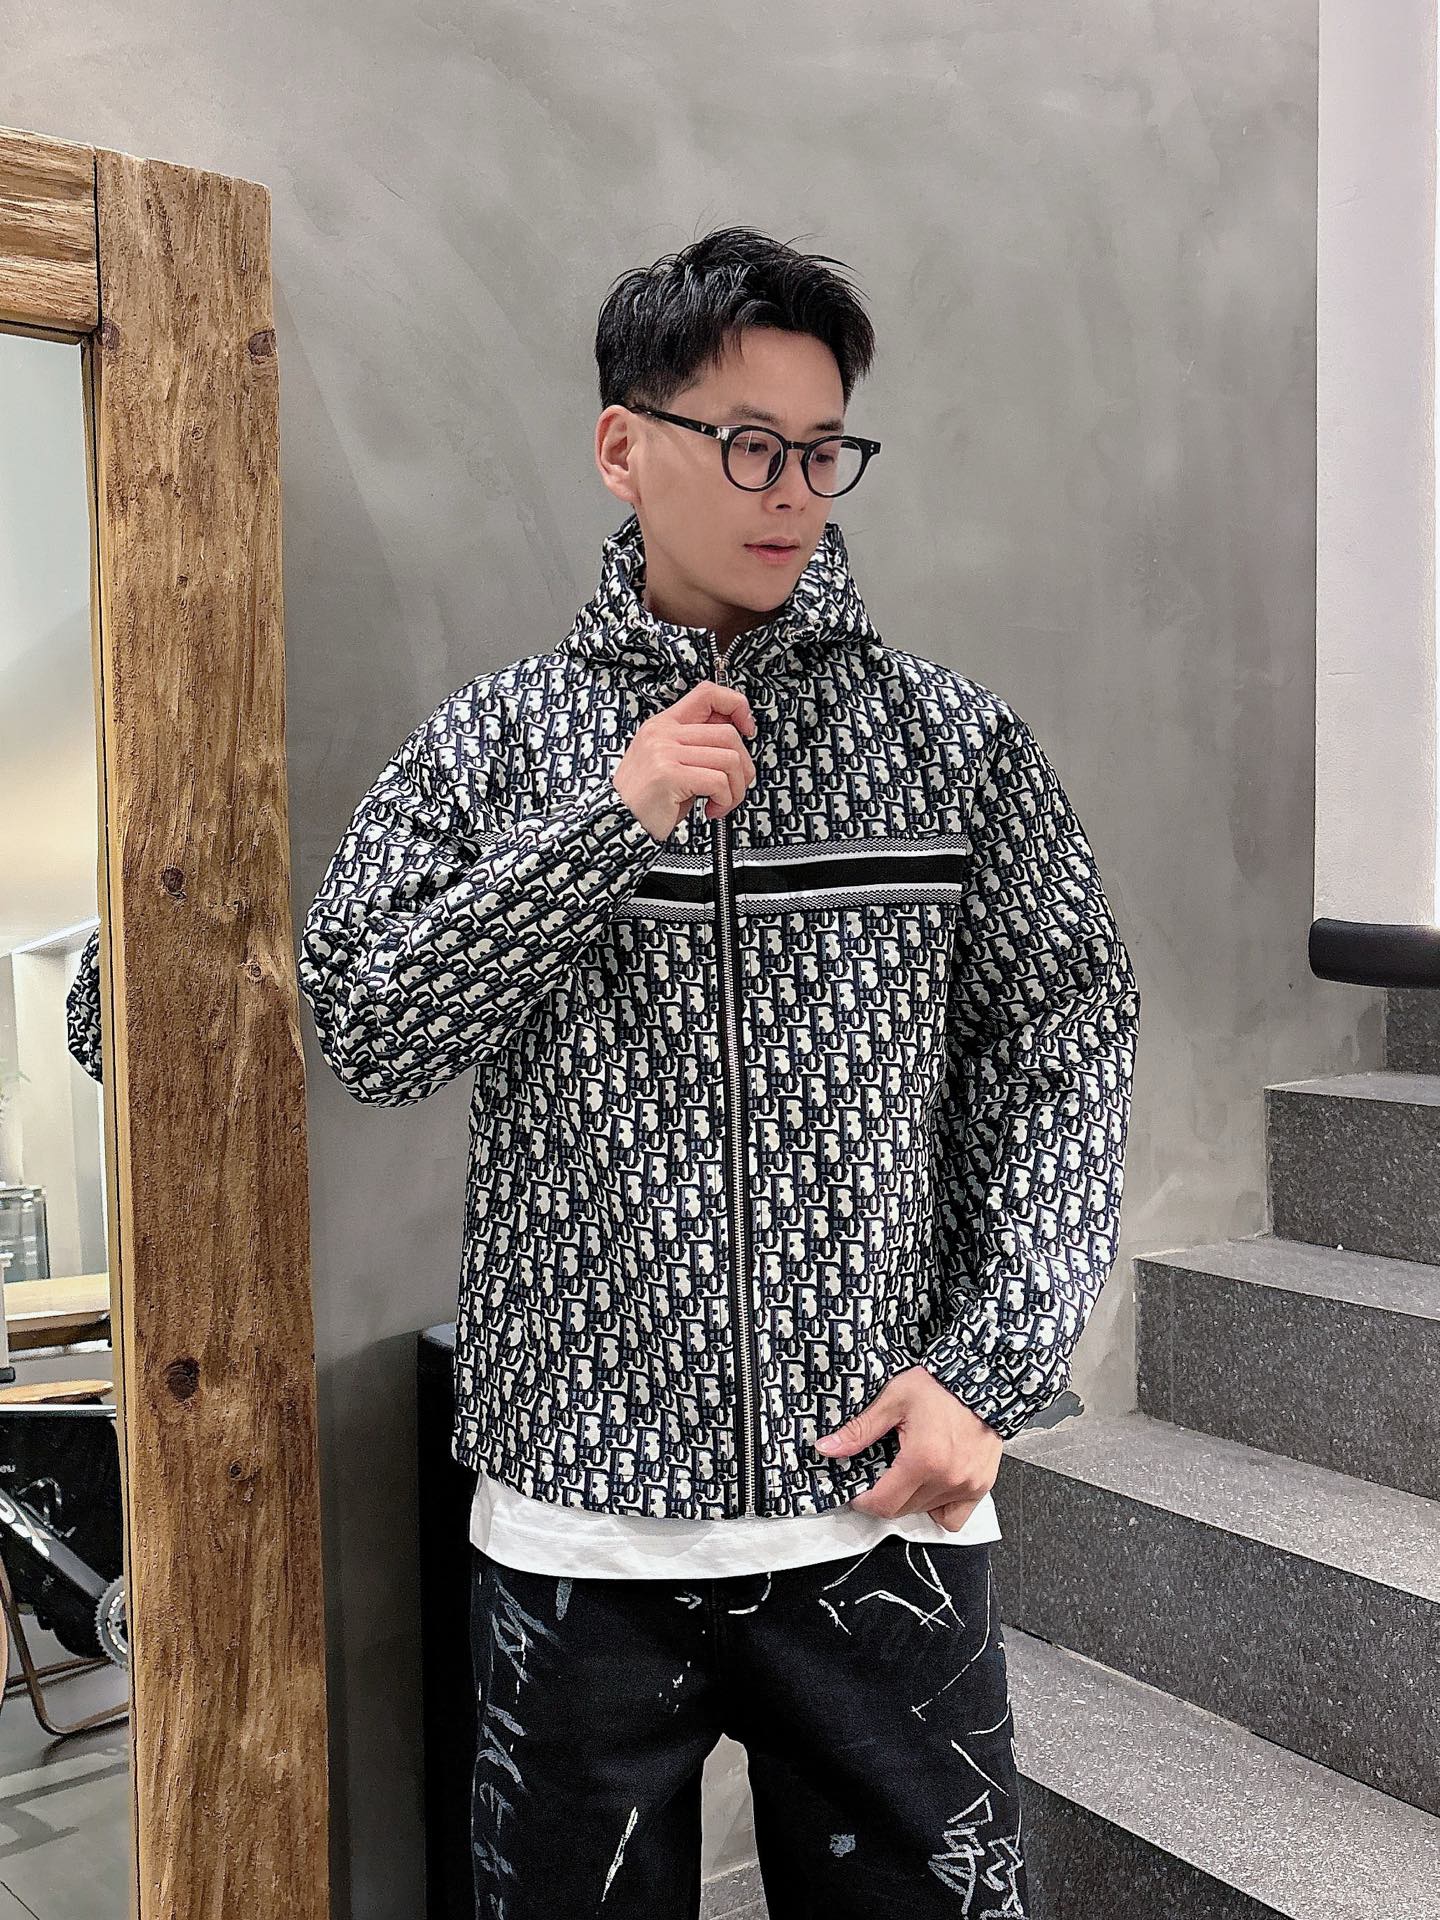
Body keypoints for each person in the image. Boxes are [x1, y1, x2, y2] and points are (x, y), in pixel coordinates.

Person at [298, 226, 1140, 1919]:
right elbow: (369, 1026)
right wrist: (606, 821)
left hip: (879, 1518)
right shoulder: (495, 744)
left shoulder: (950, 743)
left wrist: (993, 1366)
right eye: (751, 445)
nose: (794, 492)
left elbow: (1068, 1043)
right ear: (625, 447)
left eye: (824, 451)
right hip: (580, 1528)